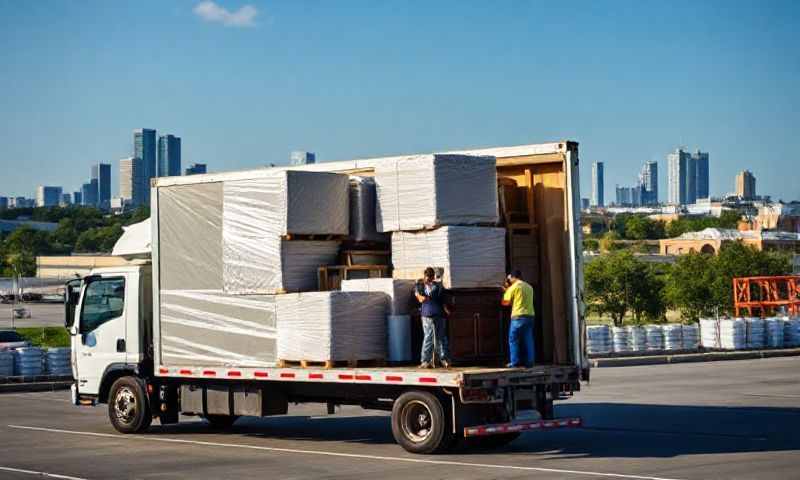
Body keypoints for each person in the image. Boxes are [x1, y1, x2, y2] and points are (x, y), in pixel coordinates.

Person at [415, 267, 450, 369]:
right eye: (427, 277)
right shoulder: (419, 286)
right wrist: (422, 297)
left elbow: (442, 299)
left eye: (430, 277)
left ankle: (444, 359)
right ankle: (425, 361)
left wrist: (446, 309)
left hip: (439, 313)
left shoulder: (438, 286)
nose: (429, 279)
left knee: (441, 337)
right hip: (427, 315)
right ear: (424, 276)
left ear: (433, 277)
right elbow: (419, 298)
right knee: (428, 337)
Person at [501, 270, 535, 368]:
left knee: (513, 339)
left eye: (509, 279)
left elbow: (505, 303)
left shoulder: (513, 287)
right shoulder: (529, 287)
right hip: (530, 316)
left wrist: (506, 291)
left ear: (512, 277)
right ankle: (530, 362)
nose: (508, 280)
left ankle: (514, 362)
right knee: (528, 339)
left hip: (518, 317)